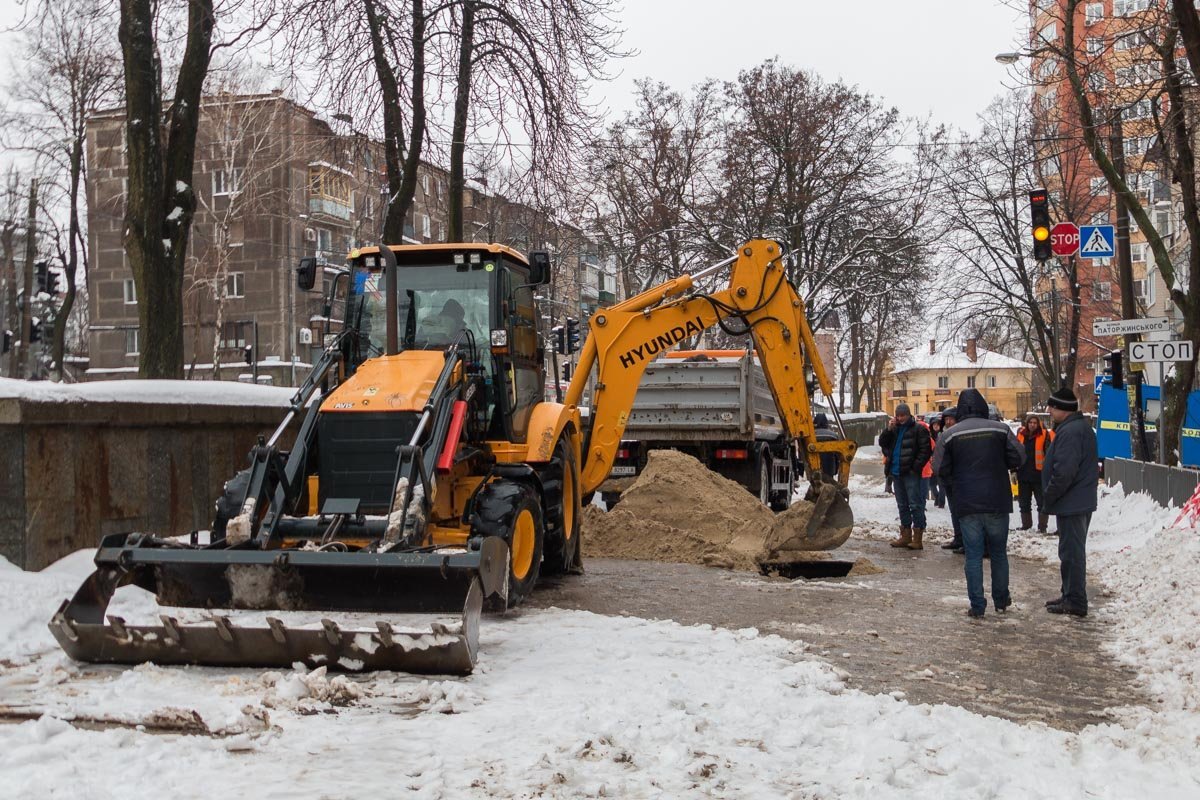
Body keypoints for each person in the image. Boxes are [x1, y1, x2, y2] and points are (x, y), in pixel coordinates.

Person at [938, 388, 1024, 618]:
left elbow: (939, 468)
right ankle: (1001, 599)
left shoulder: (949, 435)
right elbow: (1019, 456)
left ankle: (977, 605)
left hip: (966, 503)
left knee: (973, 555)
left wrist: (955, 484)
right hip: (997, 500)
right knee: (998, 553)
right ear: (984, 406)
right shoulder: (1001, 429)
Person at [1041, 387, 1099, 618]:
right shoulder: (1075, 428)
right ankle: (1069, 594)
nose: (1049, 411)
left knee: (1072, 553)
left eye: (1052, 407)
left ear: (1062, 409)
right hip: (1076, 501)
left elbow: (1064, 472)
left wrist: (1050, 494)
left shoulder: (1071, 432)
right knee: (1069, 551)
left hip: (1072, 502)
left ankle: (1075, 600)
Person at [878, 403, 933, 550]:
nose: (901, 418)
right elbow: (882, 443)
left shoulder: (919, 429)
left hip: (910, 474)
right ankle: (905, 535)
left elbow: (925, 450)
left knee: (915, 505)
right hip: (896, 472)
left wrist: (915, 468)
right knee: (902, 505)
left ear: (909, 415)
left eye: (903, 415)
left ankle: (917, 538)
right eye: (898, 415)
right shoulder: (894, 429)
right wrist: (889, 429)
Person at [1016, 414, 1055, 533]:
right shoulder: (1021, 435)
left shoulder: (1044, 435)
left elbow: (1049, 454)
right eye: (1030, 422)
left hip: (1039, 475)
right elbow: (1015, 452)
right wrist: (1014, 470)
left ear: (1038, 424)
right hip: (1023, 474)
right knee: (1024, 502)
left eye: (1035, 423)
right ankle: (1026, 525)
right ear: (1027, 423)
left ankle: (1042, 526)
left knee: (1041, 502)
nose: (1032, 425)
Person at [933, 406, 964, 552]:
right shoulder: (942, 435)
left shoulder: (960, 435)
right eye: (946, 419)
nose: (949, 422)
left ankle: (965, 540)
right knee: (954, 511)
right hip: (947, 478)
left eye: (951, 419)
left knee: (962, 511)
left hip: (959, 479)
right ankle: (958, 538)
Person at [813, 413, 842, 480]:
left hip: (814, 466)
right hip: (830, 466)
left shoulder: (811, 436)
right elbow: (838, 453)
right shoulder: (833, 435)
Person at [928, 417, 946, 508]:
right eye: (934, 425)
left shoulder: (943, 435)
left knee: (941, 483)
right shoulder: (929, 436)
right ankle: (937, 497)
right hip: (931, 462)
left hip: (941, 462)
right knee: (932, 483)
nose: (936, 426)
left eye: (938, 425)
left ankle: (941, 502)